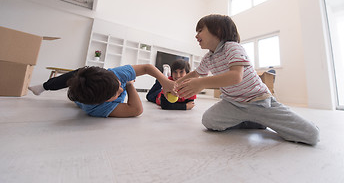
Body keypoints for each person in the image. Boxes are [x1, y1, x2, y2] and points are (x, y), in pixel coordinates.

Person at [175, 14, 320, 145]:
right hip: (232, 103)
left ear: (217, 30)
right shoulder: (208, 57)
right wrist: (175, 84)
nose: (196, 35)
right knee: (209, 121)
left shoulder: (232, 47)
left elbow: (235, 76)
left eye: (200, 30)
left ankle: (258, 118)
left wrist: (202, 83)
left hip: (259, 102)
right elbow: (196, 74)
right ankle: (250, 120)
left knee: (312, 135)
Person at [28, 64, 175, 118]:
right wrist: (129, 84)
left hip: (97, 77)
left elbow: (147, 68)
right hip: (79, 98)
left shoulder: (116, 74)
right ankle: (45, 86)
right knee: (74, 78)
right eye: (116, 93)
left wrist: (165, 81)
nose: (120, 88)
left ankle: (43, 86)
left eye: (119, 84)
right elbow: (136, 109)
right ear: (104, 101)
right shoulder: (96, 108)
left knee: (81, 71)